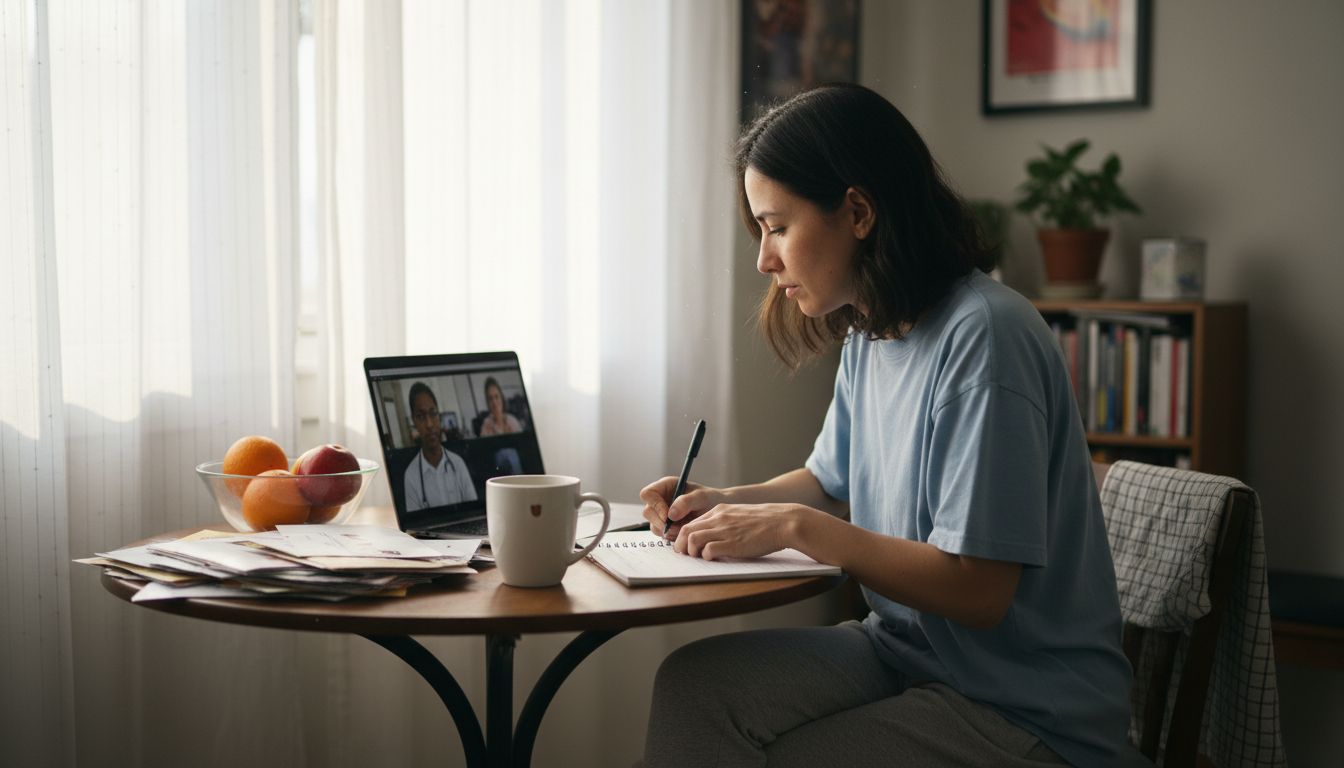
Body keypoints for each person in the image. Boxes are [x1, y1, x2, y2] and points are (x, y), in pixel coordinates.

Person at [640, 84, 1132, 767]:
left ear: (859, 212)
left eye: (777, 227)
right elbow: (827, 481)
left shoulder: (986, 337)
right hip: (906, 651)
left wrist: (795, 527)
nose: (764, 259)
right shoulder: (871, 333)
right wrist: (722, 502)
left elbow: (979, 591)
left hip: (1025, 707)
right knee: (695, 688)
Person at [403, 381, 477, 511]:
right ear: (414, 421)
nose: (429, 424)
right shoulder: (411, 476)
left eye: (433, 414)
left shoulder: (458, 463)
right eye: (421, 416)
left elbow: (474, 511)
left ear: (439, 416)